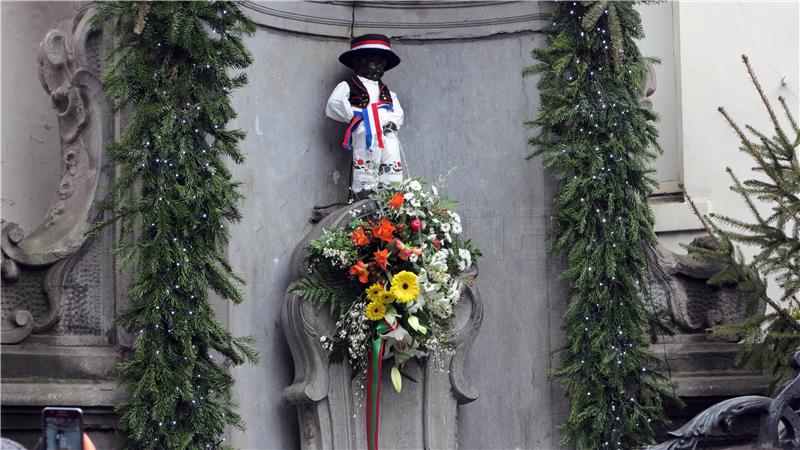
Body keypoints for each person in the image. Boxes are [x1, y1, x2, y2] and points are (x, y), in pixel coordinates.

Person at [326, 34, 405, 198]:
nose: (378, 69)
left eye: (382, 65)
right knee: (366, 157)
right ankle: (365, 193)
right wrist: (355, 117)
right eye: (374, 63)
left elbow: (397, 111)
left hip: (385, 133)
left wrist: (392, 123)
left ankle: (390, 191)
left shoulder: (387, 92)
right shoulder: (348, 85)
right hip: (366, 130)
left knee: (390, 154)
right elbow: (334, 103)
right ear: (357, 62)